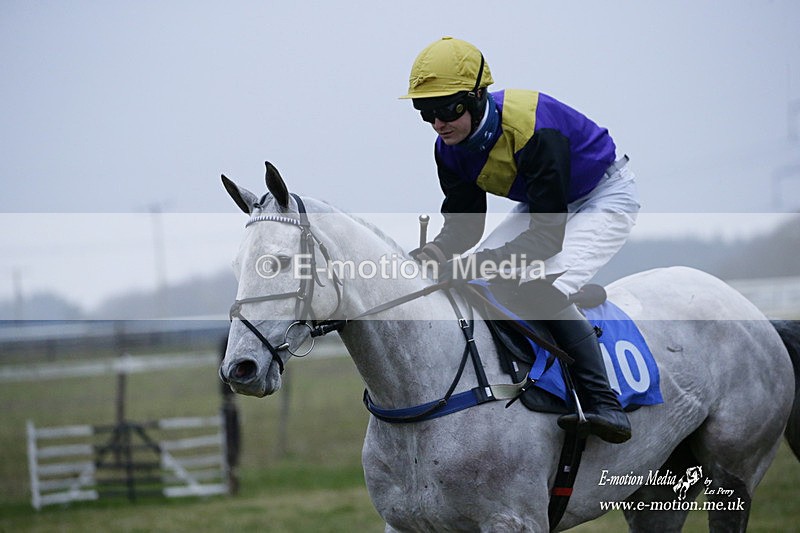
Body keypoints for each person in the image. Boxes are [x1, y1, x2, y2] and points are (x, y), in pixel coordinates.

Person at [402, 37, 640, 444]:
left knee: (538, 284)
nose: (439, 123)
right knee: (479, 278)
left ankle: (606, 404)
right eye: (425, 113)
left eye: (448, 109)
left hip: (604, 195)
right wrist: (433, 253)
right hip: (547, 203)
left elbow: (546, 240)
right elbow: (465, 228)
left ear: (478, 96)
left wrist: (478, 263)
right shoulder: (450, 148)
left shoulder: (532, 128)